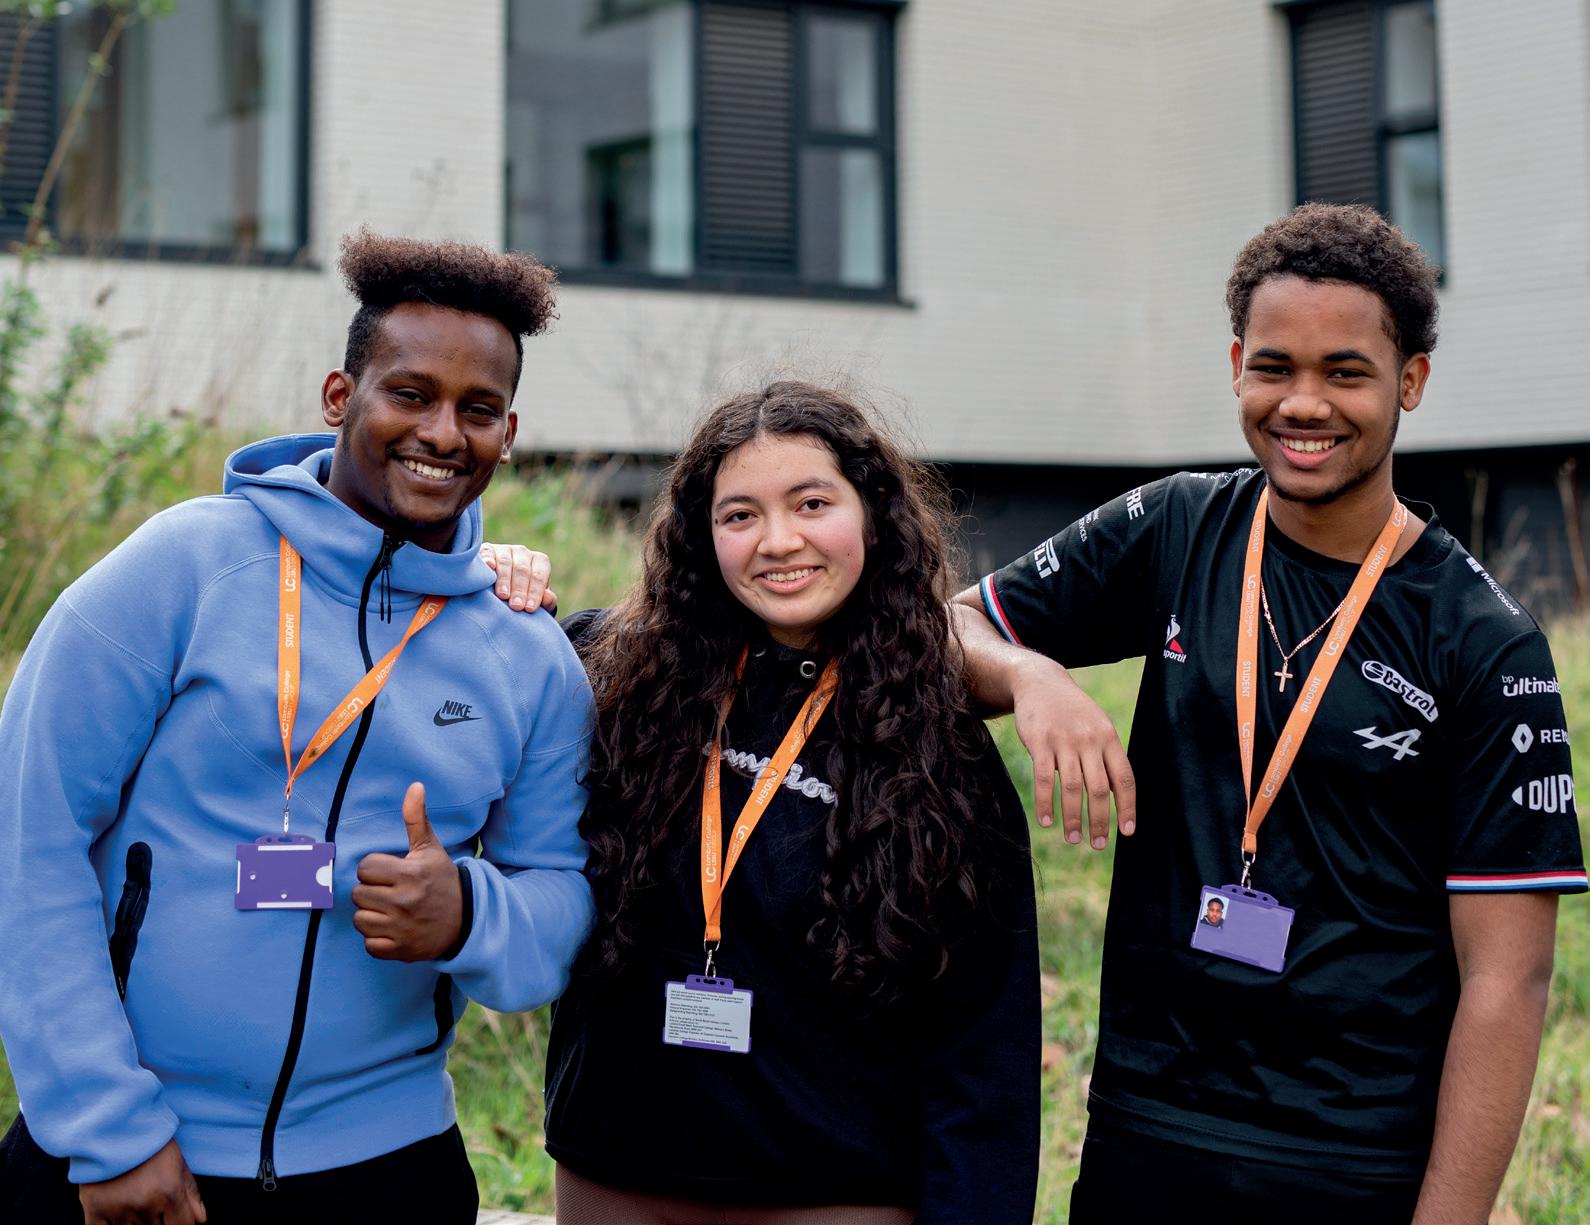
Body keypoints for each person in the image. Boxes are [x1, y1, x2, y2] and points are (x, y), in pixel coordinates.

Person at [952, 203, 1586, 1222]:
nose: (1304, 403)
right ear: (1237, 365)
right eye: (1275, 367)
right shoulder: (1174, 526)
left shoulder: (1486, 642)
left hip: (1352, 1156)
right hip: (1146, 1123)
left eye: (1345, 372)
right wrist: (1030, 675)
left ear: (1411, 381)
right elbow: (944, 630)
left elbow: (1509, 981)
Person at [0, 232, 595, 1225]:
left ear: (508, 431)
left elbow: (564, 896)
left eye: (478, 409)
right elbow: (29, 835)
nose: (442, 432)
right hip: (130, 1154)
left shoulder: (525, 654)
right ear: (338, 396)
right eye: (410, 393)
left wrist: (469, 914)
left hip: (388, 1167)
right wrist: (106, 1127)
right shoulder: (182, 569)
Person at [538, 382, 1041, 1224]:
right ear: (701, 535)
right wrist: (481, 566)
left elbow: (983, 1053)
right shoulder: (611, 678)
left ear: (873, 515)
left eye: (812, 503)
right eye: (740, 515)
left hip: (833, 1198)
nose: (778, 541)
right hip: (614, 1180)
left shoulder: (939, 748)